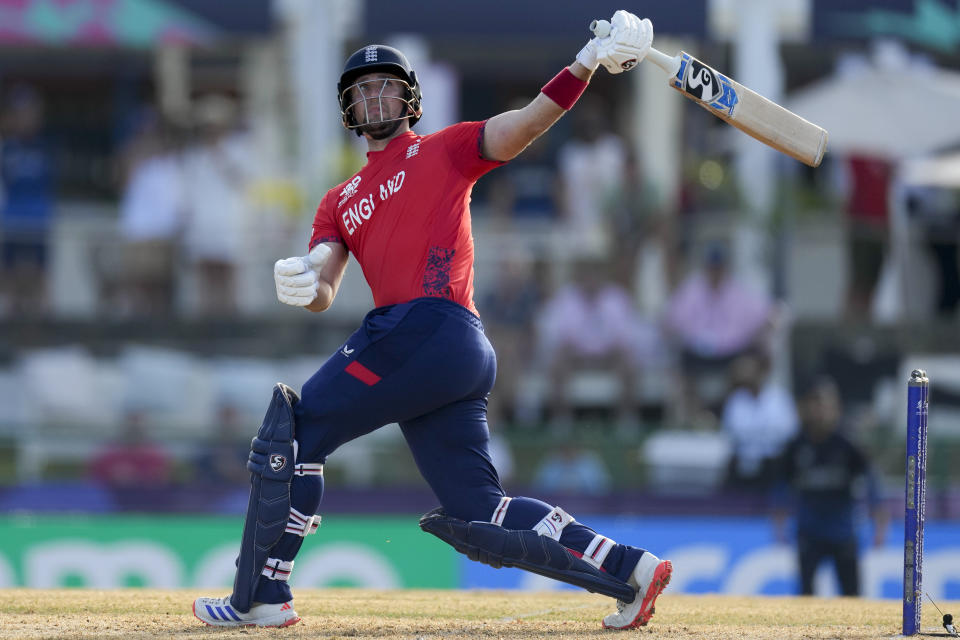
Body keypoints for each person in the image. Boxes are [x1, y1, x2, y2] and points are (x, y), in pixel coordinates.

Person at [193, 11, 672, 631]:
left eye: (384, 84)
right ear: (349, 108)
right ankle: (631, 570)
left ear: (409, 96)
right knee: (480, 512)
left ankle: (260, 596)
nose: (373, 94)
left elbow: (526, 126)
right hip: (447, 354)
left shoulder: (444, 149)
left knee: (291, 435)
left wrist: (584, 64)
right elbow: (327, 279)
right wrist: (306, 279)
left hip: (427, 327)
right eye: (361, 89)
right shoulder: (337, 199)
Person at [770, 375, 887, 596]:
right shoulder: (796, 446)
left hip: (842, 532)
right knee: (805, 595)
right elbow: (781, 485)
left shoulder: (847, 444)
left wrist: (879, 519)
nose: (819, 411)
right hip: (809, 532)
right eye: (814, 404)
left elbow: (871, 479)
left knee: (851, 595)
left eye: (825, 404)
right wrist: (778, 520)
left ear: (836, 408)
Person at [720, 349, 798, 491]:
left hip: (774, 465)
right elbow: (730, 435)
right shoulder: (736, 400)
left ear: (761, 370)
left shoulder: (779, 398)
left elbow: (790, 433)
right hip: (743, 465)